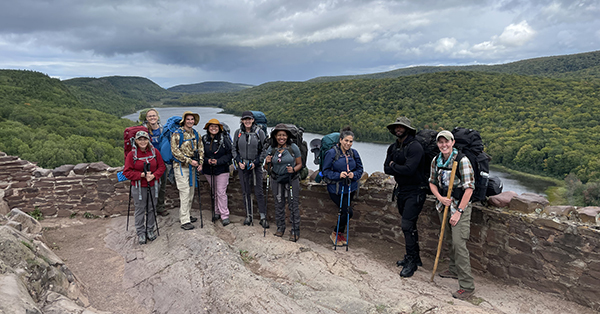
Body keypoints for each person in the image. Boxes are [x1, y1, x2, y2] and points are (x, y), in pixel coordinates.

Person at [429, 130, 476, 300]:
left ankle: (467, 286)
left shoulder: (461, 161)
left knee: (458, 243)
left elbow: (469, 188)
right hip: (444, 206)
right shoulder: (436, 160)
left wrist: (459, 213)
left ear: (453, 142)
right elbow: (432, 183)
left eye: (446, 142)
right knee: (448, 239)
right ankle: (454, 269)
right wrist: (440, 198)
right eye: (440, 142)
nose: (444, 145)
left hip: (460, 207)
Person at [383, 117, 426, 278]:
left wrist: (394, 165)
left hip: (416, 191)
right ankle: (415, 257)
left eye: (401, 127)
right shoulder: (394, 147)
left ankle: (411, 263)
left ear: (408, 129)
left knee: (407, 225)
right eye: (396, 127)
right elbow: (385, 169)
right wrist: (394, 167)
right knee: (410, 226)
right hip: (401, 190)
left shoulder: (416, 147)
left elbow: (409, 169)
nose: (398, 129)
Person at [322, 126, 363, 247]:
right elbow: (325, 171)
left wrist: (353, 174)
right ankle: (335, 233)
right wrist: (338, 175)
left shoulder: (354, 153)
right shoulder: (331, 153)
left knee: (344, 212)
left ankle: (340, 234)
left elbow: (360, 169)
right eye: (346, 140)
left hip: (350, 188)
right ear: (340, 140)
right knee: (347, 212)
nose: (348, 143)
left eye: (350, 141)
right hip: (336, 189)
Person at [123, 131, 166, 244]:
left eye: (145, 139)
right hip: (138, 187)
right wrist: (141, 175)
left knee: (152, 208)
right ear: (136, 141)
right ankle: (141, 232)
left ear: (148, 140)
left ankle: (150, 230)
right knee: (140, 209)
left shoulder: (154, 152)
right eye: (140, 139)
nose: (143, 141)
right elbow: (126, 172)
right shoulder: (132, 155)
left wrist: (153, 176)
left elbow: (161, 167)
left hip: (153, 185)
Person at [264, 124, 302, 241]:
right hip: (276, 179)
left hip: (291, 179)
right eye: (279, 135)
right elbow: (267, 168)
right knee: (278, 204)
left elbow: (300, 164)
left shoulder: (293, 148)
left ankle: (295, 231)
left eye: (284, 135)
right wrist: (267, 162)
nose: (282, 137)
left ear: (287, 136)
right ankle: (280, 228)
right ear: (275, 136)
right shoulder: (271, 149)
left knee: (293, 205)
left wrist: (294, 169)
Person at [233, 111, 268, 228]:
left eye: (249, 119)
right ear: (242, 120)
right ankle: (249, 215)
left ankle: (263, 217)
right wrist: (238, 161)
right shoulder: (238, 133)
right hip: (243, 166)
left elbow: (264, 149)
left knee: (259, 191)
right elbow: (234, 149)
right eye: (245, 119)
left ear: (253, 120)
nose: (247, 121)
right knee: (245, 191)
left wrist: (257, 162)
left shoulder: (259, 132)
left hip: (255, 166)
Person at [171, 111, 204, 230]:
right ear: (184, 120)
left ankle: (187, 215)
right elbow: (175, 151)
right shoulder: (177, 134)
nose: (190, 121)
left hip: (193, 167)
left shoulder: (196, 133)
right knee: (184, 192)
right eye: (188, 119)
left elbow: (201, 148)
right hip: (181, 167)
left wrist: (200, 162)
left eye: (192, 119)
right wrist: (189, 161)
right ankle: (184, 220)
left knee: (191, 192)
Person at [202, 118, 233, 227]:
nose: (213, 128)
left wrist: (218, 161)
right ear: (208, 128)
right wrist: (207, 161)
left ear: (219, 128)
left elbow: (230, 154)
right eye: (211, 126)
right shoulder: (204, 139)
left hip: (222, 169)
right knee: (214, 191)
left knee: (220, 192)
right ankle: (216, 212)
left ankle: (224, 215)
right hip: (208, 169)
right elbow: (200, 154)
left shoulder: (224, 140)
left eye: (216, 126)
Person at [141, 109, 169, 217]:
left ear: (157, 117)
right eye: (149, 116)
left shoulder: (163, 129)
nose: (152, 118)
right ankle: (149, 209)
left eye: (154, 115)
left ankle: (160, 207)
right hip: (148, 162)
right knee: (148, 186)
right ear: (147, 118)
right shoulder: (144, 130)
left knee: (162, 186)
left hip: (161, 162)